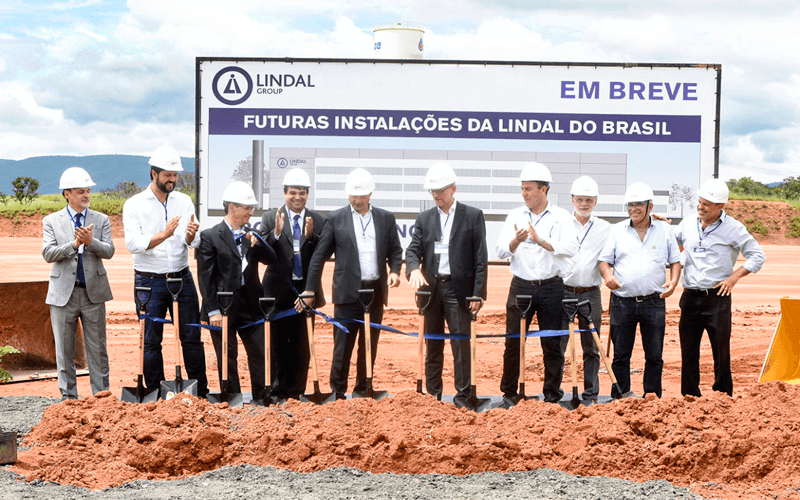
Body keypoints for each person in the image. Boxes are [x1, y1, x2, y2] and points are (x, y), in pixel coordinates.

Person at [303, 168, 403, 399]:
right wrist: (310, 288)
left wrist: (395, 271)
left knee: (369, 345)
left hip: (375, 292)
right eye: (353, 196)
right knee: (342, 347)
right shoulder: (336, 218)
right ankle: (338, 392)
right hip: (347, 293)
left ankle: (363, 389)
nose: (357, 200)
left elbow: (395, 251)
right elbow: (319, 256)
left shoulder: (385, 218)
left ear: (371, 194)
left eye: (361, 196)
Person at [123, 146, 208, 398]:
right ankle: (156, 393)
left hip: (182, 277)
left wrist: (192, 236)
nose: (172, 180)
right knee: (151, 341)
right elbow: (134, 244)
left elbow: (192, 241)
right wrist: (164, 235)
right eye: (167, 175)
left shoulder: (183, 200)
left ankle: (199, 392)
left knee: (192, 336)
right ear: (154, 174)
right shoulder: (134, 204)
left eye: (175, 175)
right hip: (149, 281)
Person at [406, 162, 488, 408]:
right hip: (431, 291)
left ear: (453, 188)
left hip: (459, 291)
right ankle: (433, 398)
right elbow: (413, 250)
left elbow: (480, 259)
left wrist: (478, 294)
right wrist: (413, 268)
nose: (436, 195)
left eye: (440, 190)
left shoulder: (472, 216)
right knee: (433, 345)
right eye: (432, 191)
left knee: (461, 345)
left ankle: (463, 397)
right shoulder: (424, 219)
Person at [495, 162, 578, 404]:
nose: (524, 194)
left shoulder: (562, 217)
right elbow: (501, 251)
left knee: (553, 344)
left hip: (552, 288)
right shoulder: (515, 215)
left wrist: (541, 241)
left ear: (543, 190)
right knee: (513, 342)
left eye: (529, 189)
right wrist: (516, 241)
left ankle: (552, 395)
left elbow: (570, 248)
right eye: (522, 189)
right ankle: (510, 393)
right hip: (521, 286)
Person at [674, 178, 765, 397]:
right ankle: (689, 396)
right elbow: (672, 242)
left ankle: (723, 397)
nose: (700, 207)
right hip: (690, 297)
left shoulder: (734, 228)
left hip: (717, 298)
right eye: (699, 201)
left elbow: (757, 255)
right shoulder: (687, 223)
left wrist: (734, 277)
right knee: (688, 352)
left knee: (721, 351)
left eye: (706, 204)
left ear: (720, 207)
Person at [599, 181, 681, 398]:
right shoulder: (617, 231)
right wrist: (608, 277)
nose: (633, 209)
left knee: (654, 355)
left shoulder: (664, 230)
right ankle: (620, 396)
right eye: (630, 205)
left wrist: (673, 283)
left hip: (654, 302)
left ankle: (652, 398)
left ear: (650, 207)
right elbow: (604, 262)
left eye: (638, 205)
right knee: (621, 355)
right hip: (622, 302)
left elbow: (675, 262)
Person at [197, 182, 277, 399]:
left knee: (260, 352)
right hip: (222, 307)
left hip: (251, 306)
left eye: (252, 208)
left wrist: (258, 244)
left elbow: (271, 260)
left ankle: (263, 398)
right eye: (247, 207)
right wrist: (212, 310)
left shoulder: (251, 234)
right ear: (232, 207)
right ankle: (232, 399)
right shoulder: (210, 236)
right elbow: (205, 277)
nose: (251, 212)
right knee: (227, 356)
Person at [42, 167, 115, 400]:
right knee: (64, 350)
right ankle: (68, 399)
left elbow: (110, 251)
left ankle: (101, 398)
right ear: (67, 194)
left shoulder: (101, 219)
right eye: (81, 191)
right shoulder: (51, 221)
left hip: (93, 293)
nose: (86, 195)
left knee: (98, 350)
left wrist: (91, 242)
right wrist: (74, 245)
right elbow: (48, 253)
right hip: (64, 294)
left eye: (88, 191)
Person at [259, 168, 327, 400]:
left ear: (308, 194)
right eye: (293, 193)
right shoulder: (270, 217)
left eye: (302, 193)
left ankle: (296, 392)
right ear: (285, 193)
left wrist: (311, 238)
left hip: (305, 290)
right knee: (277, 344)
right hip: (277, 292)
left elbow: (322, 255)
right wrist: (276, 234)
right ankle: (278, 391)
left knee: (301, 344)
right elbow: (261, 253)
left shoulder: (319, 220)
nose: (298, 197)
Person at [561, 175, 611, 402]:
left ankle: (590, 394)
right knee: (559, 344)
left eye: (588, 200)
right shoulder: (560, 224)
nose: (584, 204)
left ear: (596, 202)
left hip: (591, 294)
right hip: (562, 292)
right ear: (572, 200)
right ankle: (554, 392)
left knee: (591, 347)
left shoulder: (606, 228)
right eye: (580, 199)